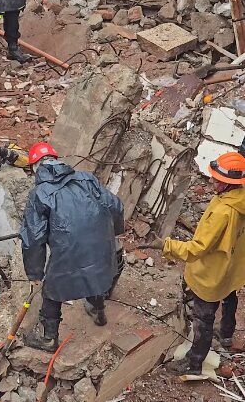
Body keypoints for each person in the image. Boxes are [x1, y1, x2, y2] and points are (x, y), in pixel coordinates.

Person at [146, 152, 245, 377]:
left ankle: (194, 362)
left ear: (229, 183)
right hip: (233, 267)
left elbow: (197, 248)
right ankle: (227, 333)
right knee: (229, 295)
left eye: (216, 179)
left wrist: (165, 245)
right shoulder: (240, 198)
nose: (211, 181)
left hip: (212, 273)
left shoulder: (223, 211)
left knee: (203, 319)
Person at [19, 142, 125, 352]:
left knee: (51, 289)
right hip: (100, 246)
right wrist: (109, 235)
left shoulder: (39, 194)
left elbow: (33, 237)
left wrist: (34, 273)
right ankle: (98, 310)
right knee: (94, 272)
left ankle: (50, 338)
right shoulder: (87, 179)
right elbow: (116, 206)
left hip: (69, 250)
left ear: (34, 167)